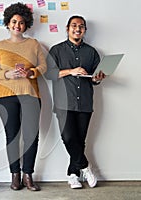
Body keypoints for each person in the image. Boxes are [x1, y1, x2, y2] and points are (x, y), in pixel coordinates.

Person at [0, 2, 47, 191]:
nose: (17, 25)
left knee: (31, 136)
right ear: (8, 23)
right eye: (14, 21)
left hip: (30, 94)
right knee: (12, 136)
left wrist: (31, 73)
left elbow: (43, 67)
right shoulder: (0, 45)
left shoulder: (33, 44)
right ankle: (15, 175)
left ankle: (28, 175)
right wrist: (7, 74)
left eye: (21, 22)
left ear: (26, 24)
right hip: (6, 96)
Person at [45, 15, 106, 189]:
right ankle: (86, 167)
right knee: (68, 137)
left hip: (85, 102)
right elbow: (49, 74)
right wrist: (71, 71)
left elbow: (94, 79)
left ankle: (73, 175)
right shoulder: (56, 50)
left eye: (81, 26)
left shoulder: (92, 52)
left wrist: (98, 78)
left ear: (85, 30)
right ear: (67, 28)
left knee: (79, 140)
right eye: (74, 25)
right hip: (64, 103)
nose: (77, 28)